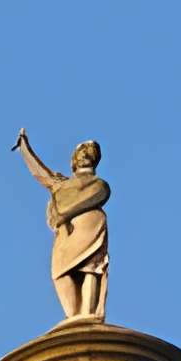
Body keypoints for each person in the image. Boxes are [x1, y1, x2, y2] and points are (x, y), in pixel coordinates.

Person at [14, 128, 110, 320]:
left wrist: (64, 214)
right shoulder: (62, 185)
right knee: (60, 272)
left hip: (89, 224)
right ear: (74, 160)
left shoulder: (100, 184)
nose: (85, 155)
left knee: (91, 267)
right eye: (81, 152)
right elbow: (40, 172)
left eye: (90, 152)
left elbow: (95, 197)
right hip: (65, 232)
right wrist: (24, 147)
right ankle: (74, 315)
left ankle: (87, 315)